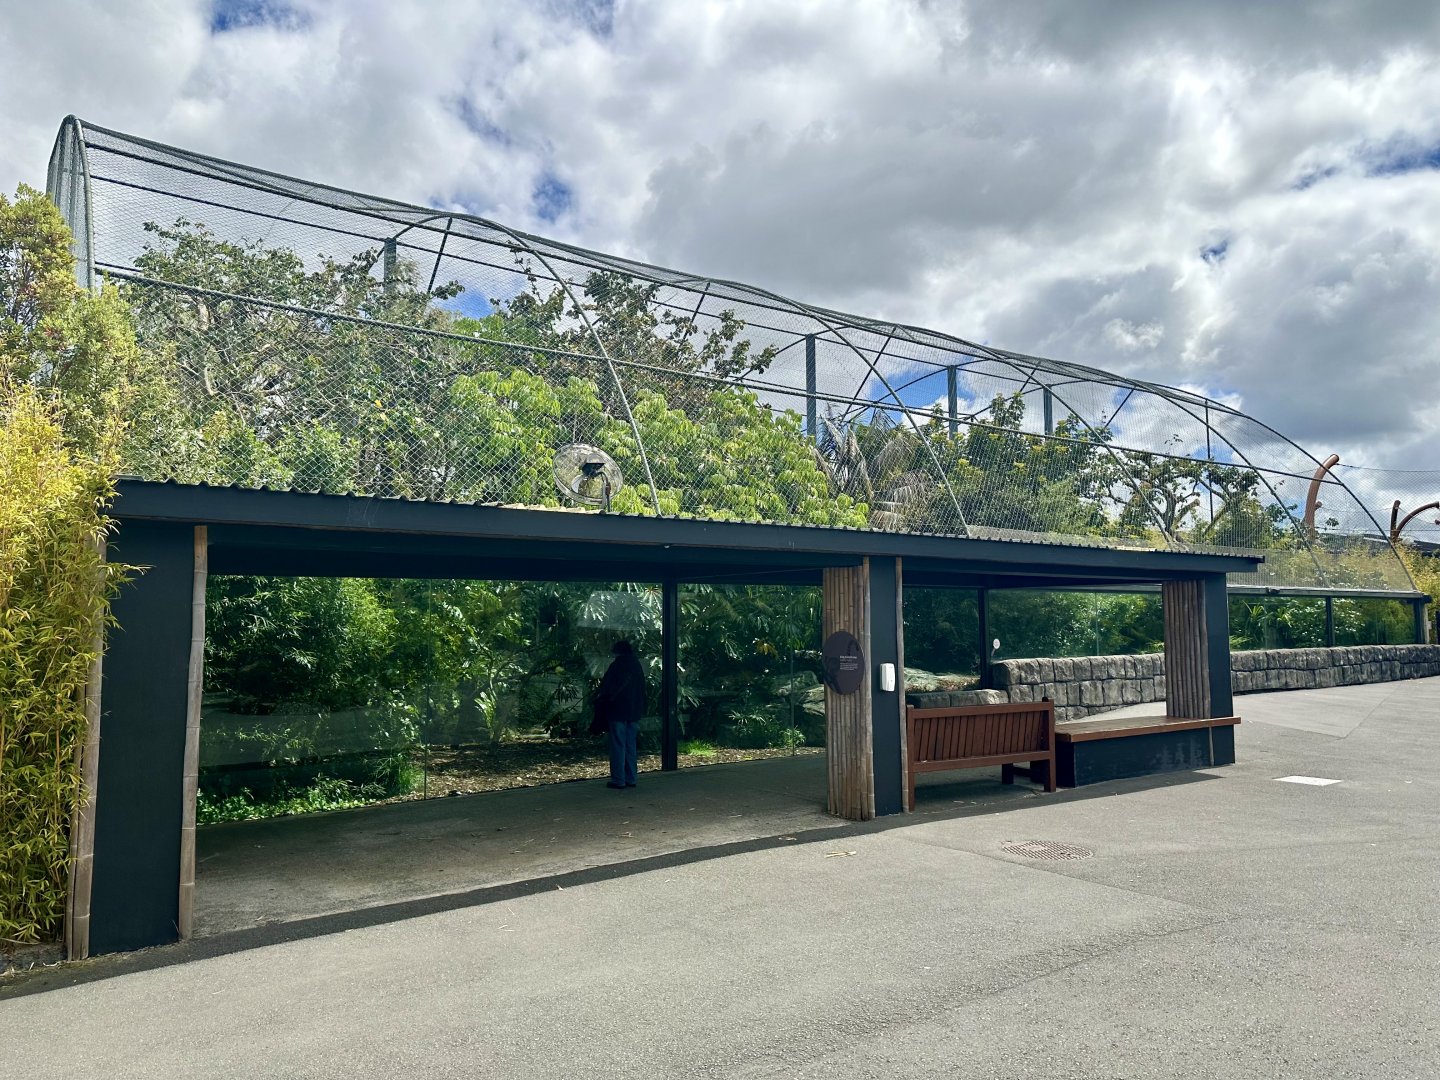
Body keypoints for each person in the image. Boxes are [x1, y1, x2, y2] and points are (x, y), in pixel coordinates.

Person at [594, 639, 645, 788]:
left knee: (618, 745)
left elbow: (606, 688)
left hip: (617, 711)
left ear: (617, 651)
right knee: (630, 745)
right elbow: (642, 690)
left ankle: (618, 779)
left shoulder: (617, 665)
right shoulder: (637, 665)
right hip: (634, 711)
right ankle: (631, 778)